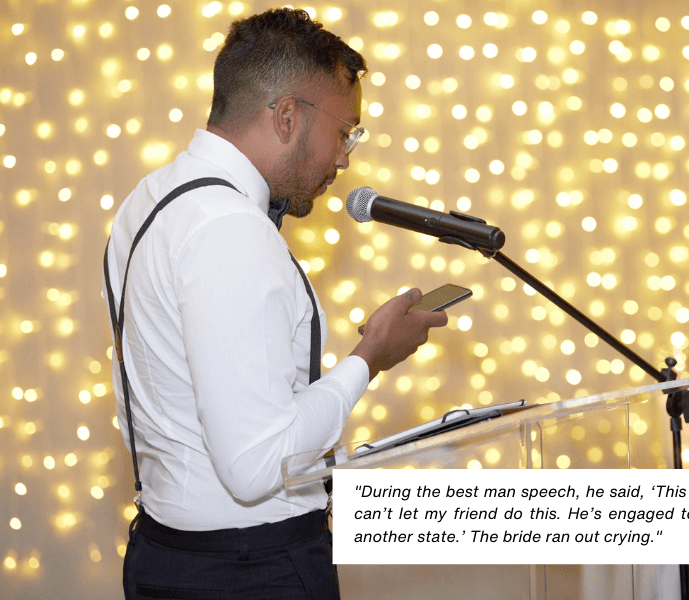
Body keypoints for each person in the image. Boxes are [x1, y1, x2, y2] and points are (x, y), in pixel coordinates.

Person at [103, 9, 446, 599]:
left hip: (168, 555)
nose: (345, 159)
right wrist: (369, 358)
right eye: (346, 132)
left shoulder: (149, 198)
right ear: (288, 116)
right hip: (249, 571)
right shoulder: (230, 230)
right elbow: (256, 466)